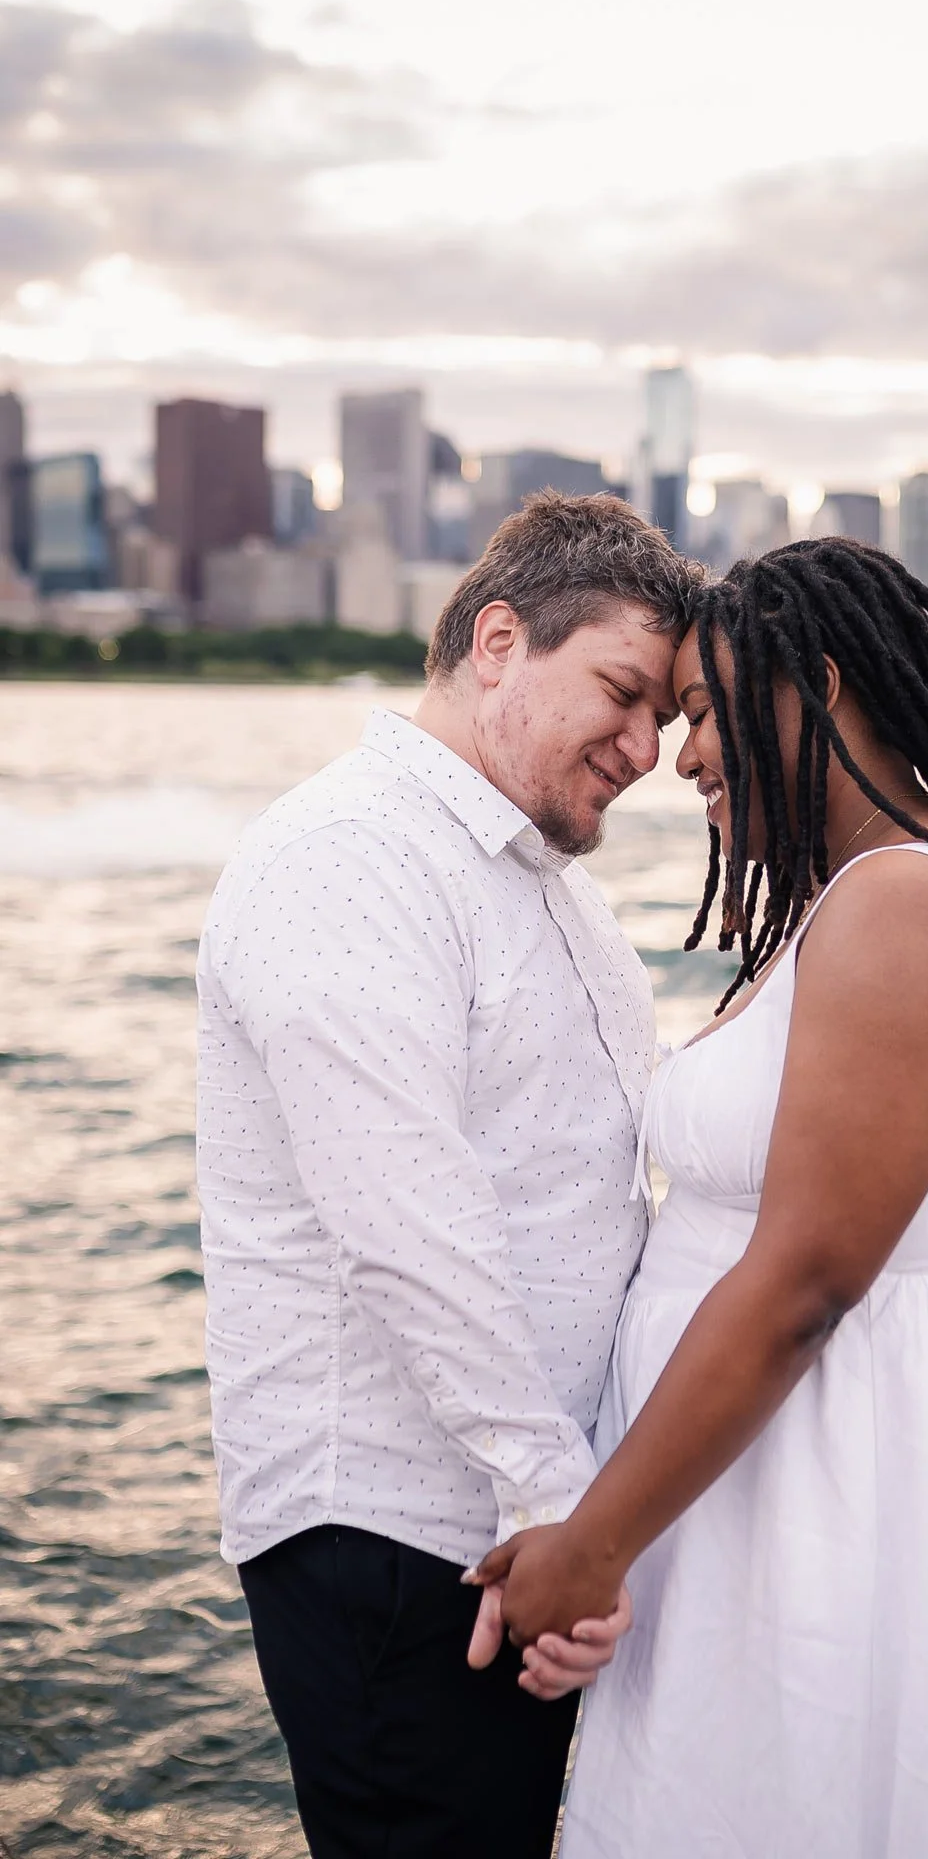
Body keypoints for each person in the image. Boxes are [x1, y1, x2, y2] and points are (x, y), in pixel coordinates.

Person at [472, 539, 928, 1857]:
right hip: (765, 1462)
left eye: (708, 711)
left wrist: (593, 1545)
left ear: (819, 687)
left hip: (840, 1465)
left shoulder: (901, 909)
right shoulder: (853, 901)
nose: (685, 756)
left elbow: (808, 1284)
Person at [195, 491, 702, 1858]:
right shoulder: (351, 859)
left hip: (523, 1533)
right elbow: (409, 1227)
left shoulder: (546, 882)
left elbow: (588, 1198)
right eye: (620, 691)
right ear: (496, 642)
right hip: (404, 1542)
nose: (648, 748)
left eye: (665, 715)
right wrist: (557, 1509)